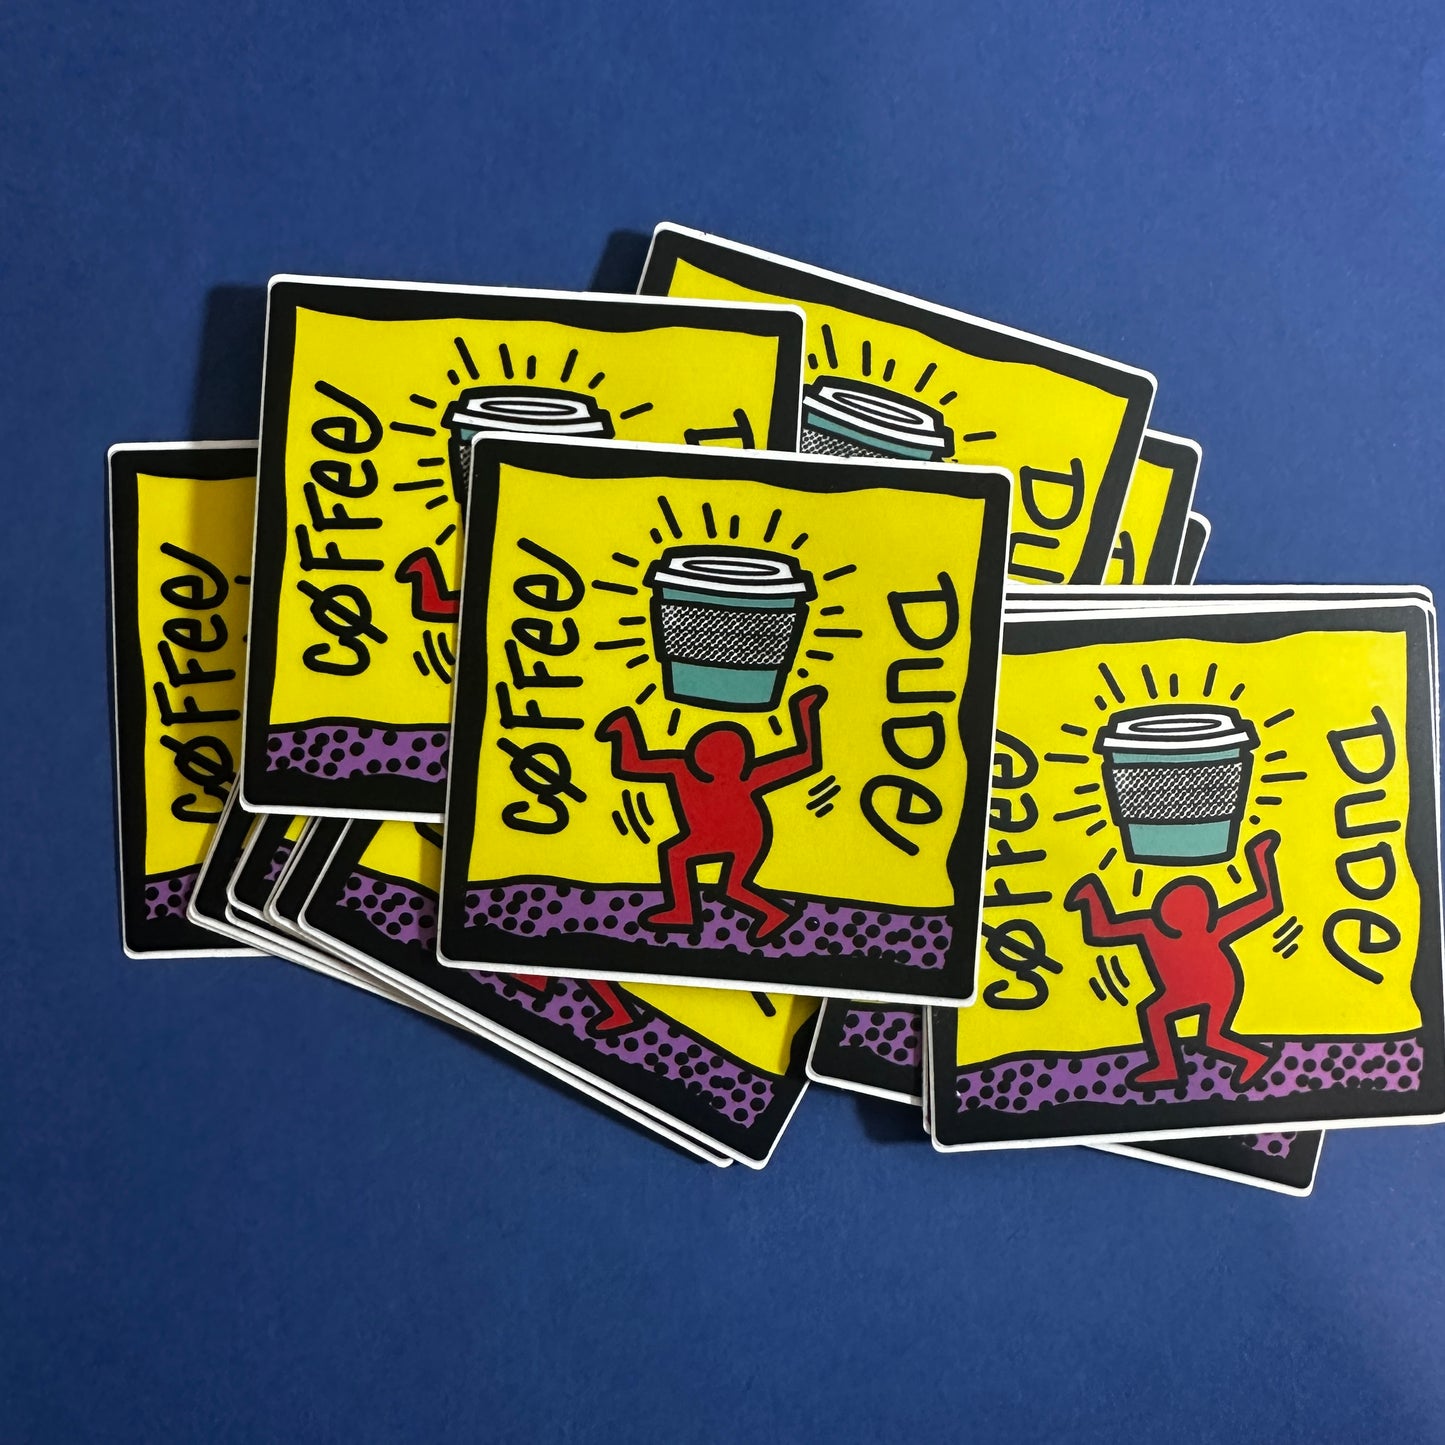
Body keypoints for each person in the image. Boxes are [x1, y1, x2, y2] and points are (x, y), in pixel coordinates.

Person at [595, 686, 826, 945]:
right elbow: (633, 764)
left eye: (729, 756)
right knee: (701, 869)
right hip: (714, 836)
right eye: (713, 752)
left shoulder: (745, 777)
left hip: (746, 838)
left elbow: (804, 759)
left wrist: (805, 711)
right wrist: (623, 729)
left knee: (713, 876)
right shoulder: (679, 768)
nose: (720, 762)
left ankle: (755, 913)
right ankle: (694, 912)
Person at [1064, 830, 1283, 1089]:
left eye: (1193, 909)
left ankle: (1172, 1067)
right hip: (1195, 989)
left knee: (1169, 1018)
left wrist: (1261, 857)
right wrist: (1090, 898)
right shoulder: (1150, 927)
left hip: (1219, 988)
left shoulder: (1209, 928)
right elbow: (1104, 930)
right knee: (1199, 1033)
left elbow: (1266, 903)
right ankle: (1247, 1058)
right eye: (1178, 906)